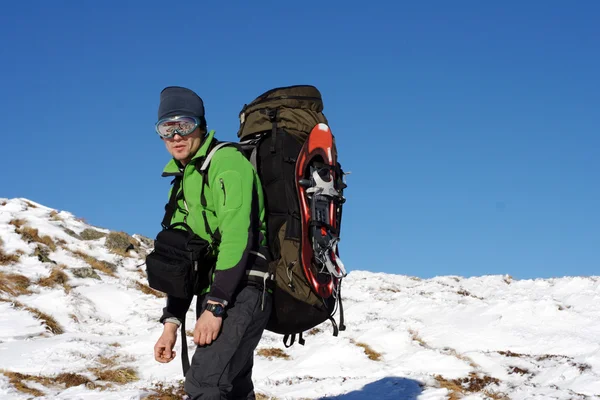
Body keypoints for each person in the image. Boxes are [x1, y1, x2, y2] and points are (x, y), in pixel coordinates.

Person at [151, 86, 272, 399]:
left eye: (185, 125)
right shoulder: (182, 181)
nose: (176, 135)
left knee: (204, 383)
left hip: (243, 287)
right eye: (167, 128)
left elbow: (237, 233)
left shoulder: (228, 163)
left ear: (201, 126)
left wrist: (216, 305)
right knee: (233, 386)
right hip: (212, 291)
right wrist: (172, 322)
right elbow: (182, 259)